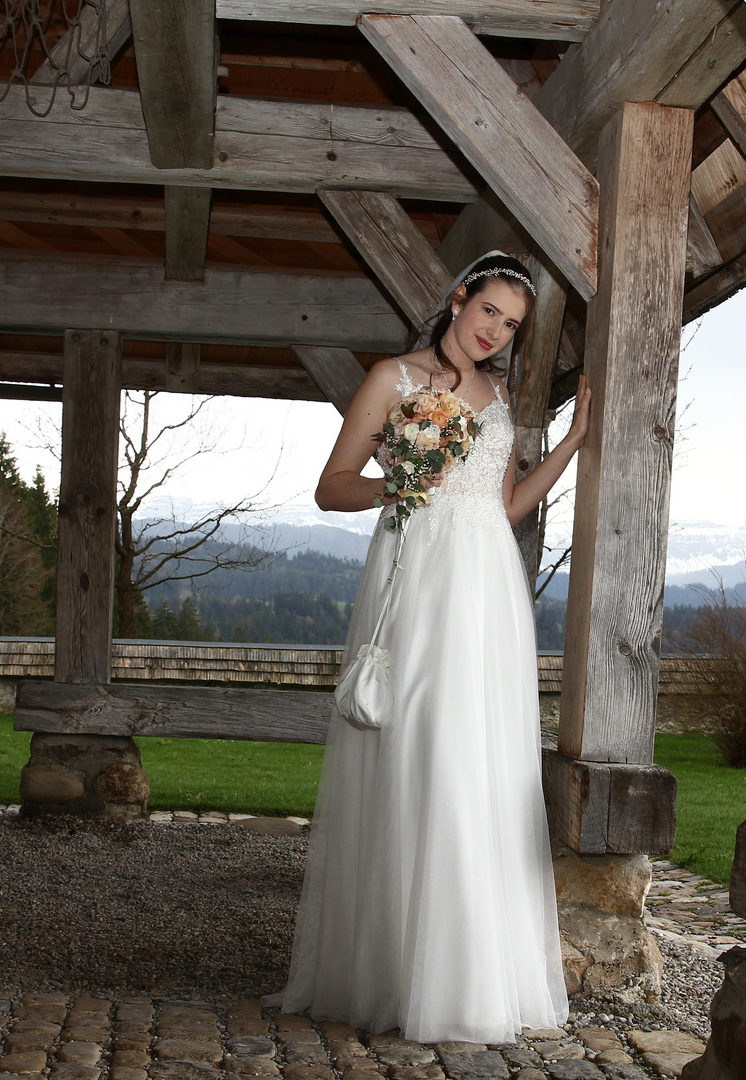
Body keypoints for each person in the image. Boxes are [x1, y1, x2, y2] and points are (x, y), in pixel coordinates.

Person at [281, 253, 593, 1044]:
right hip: (418, 572)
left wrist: (572, 446)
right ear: (457, 300)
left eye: (512, 326)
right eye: (489, 311)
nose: (495, 332)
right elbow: (332, 485)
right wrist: (403, 481)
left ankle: (474, 972)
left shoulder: (498, 397)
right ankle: (399, 970)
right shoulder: (393, 378)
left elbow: (509, 506)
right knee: (423, 750)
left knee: (481, 760)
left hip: (486, 586)